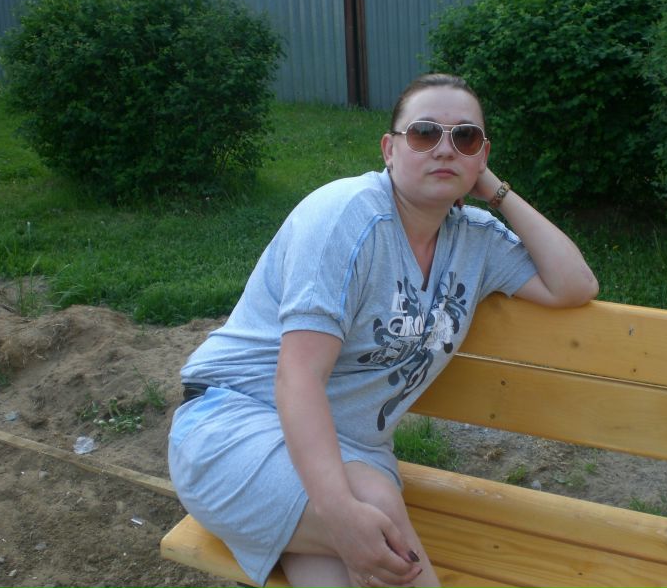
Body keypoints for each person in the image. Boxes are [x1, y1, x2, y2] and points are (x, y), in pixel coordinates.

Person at [168, 73, 598, 588]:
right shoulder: (346, 217)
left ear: (483, 155)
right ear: (389, 150)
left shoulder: (476, 241)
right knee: (377, 517)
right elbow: (298, 377)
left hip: (352, 452)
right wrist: (341, 515)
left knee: (348, 562)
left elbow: (575, 284)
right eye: (424, 134)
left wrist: (496, 191)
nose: (445, 149)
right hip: (233, 426)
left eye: (465, 138)